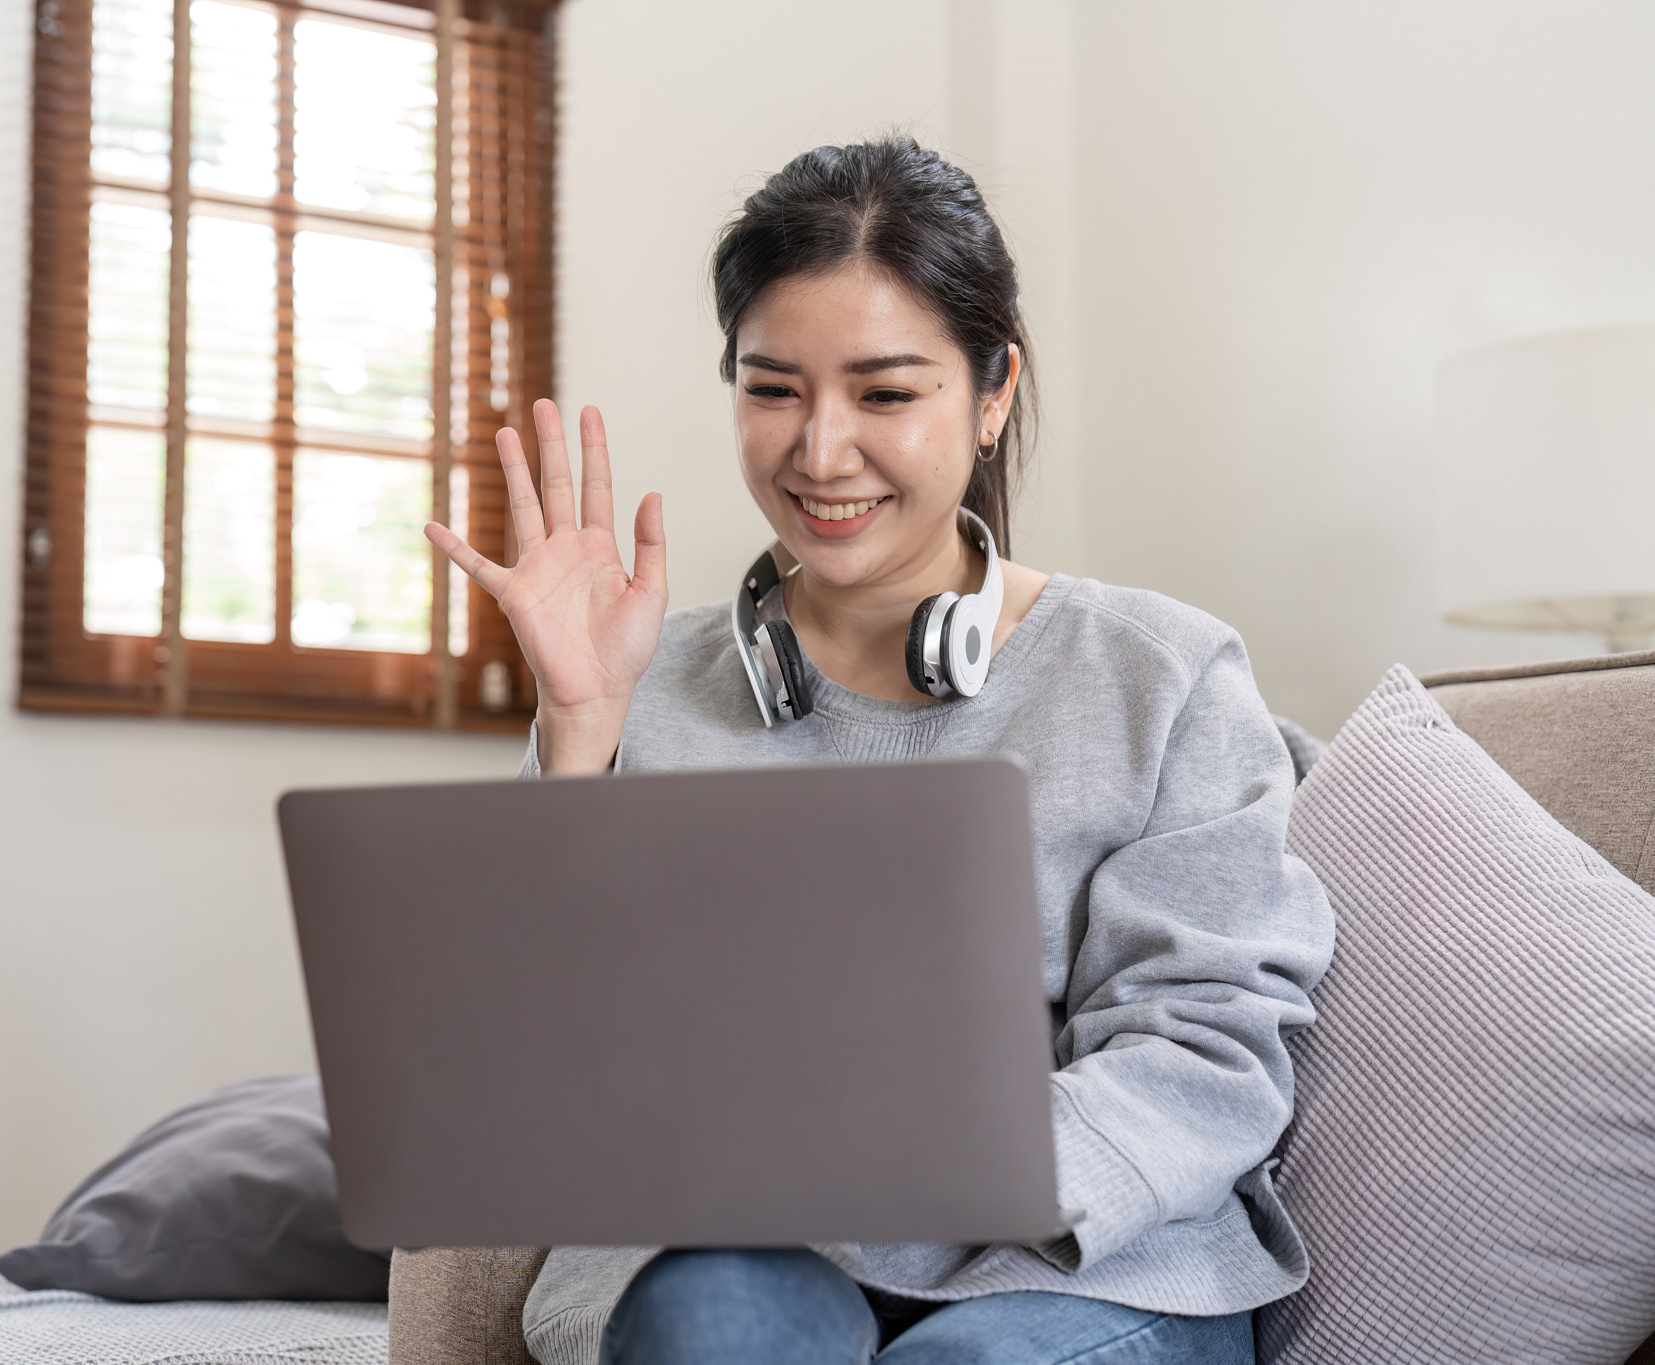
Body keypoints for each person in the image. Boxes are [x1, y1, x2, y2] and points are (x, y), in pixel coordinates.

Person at [423, 138, 1333, 1365]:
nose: (819, 449)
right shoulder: (643, 684)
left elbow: (1208, 1050)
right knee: (712, 1325)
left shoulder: (1159, 674)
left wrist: (911, 1163)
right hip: (727, 1256)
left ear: (993, 391)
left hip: (1083, 1267)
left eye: (886, 393)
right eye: (772, 388)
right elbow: (526, 1059)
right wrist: (579, 726)